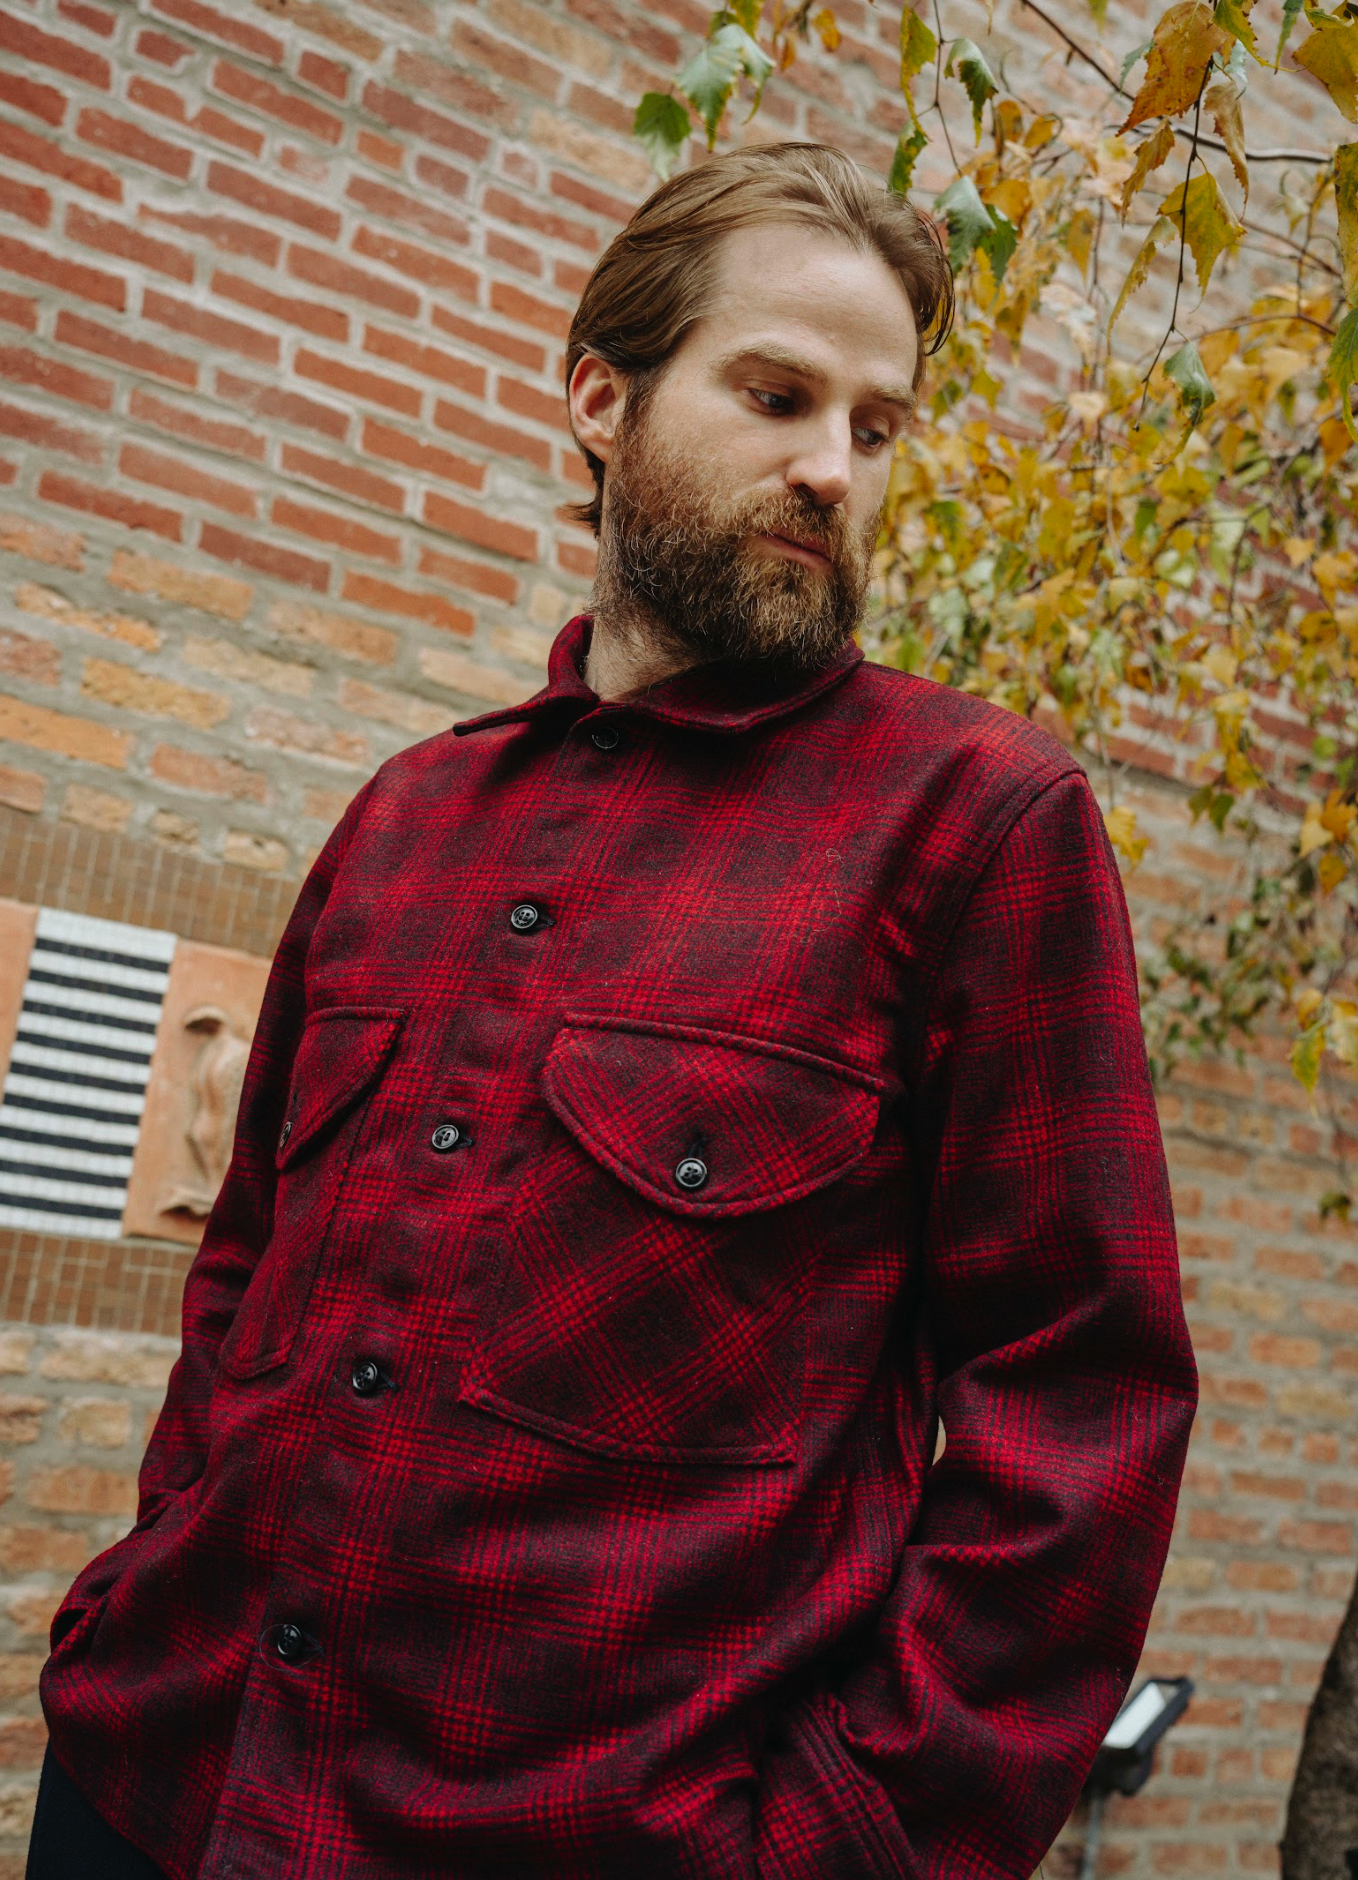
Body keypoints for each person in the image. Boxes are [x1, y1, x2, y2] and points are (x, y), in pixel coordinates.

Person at [32, 142, 1197, 1880]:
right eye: (777, 396)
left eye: (876, 427)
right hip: (160, 1780)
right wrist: (135, 1587)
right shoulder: (405, 815)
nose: (832, 468)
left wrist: (850, 1838)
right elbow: (243, 1270)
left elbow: (1081, 1404)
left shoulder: (974, 825)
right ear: (601, 396)